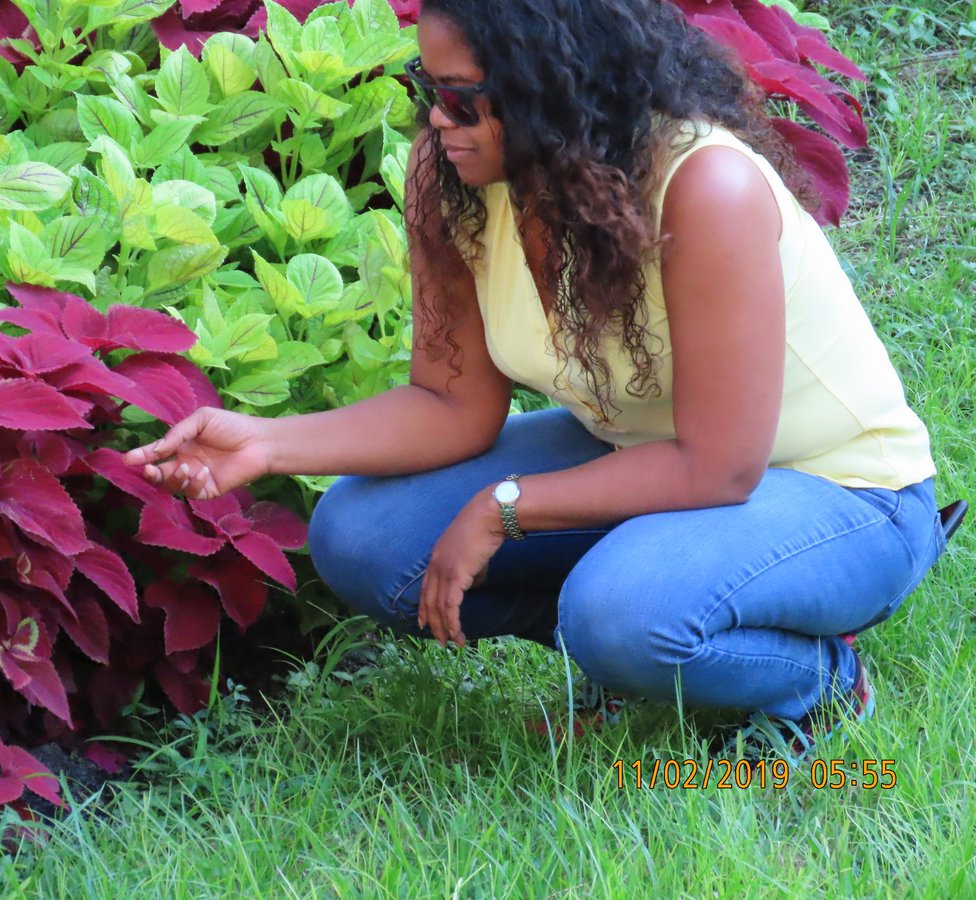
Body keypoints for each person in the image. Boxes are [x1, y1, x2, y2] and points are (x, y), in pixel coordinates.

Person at [125, 0, 944, 760]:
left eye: (461, 97)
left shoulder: (705, 188)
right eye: (426, 88)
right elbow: (451, 404)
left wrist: (504, 507)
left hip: (843, 497)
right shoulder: (456, 179)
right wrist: (266, 443)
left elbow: (718, 467)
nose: (436, 120)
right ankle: (629, 653)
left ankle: (816, 684)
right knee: (362, 536)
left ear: (551, 84)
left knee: (621, 611)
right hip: (654, 463)